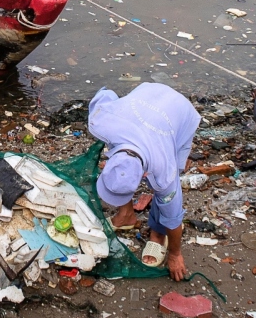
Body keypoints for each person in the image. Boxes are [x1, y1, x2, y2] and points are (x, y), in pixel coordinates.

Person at [87, 82, 202, 281]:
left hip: (180, 114)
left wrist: (175, 255)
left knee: (166, 200)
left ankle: (157, 234)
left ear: (144, 174)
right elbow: (105, 93)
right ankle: (126, 216)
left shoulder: (163, 173)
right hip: (148, 94)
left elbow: (174, 218)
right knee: (122, 173)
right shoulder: (101, 121)